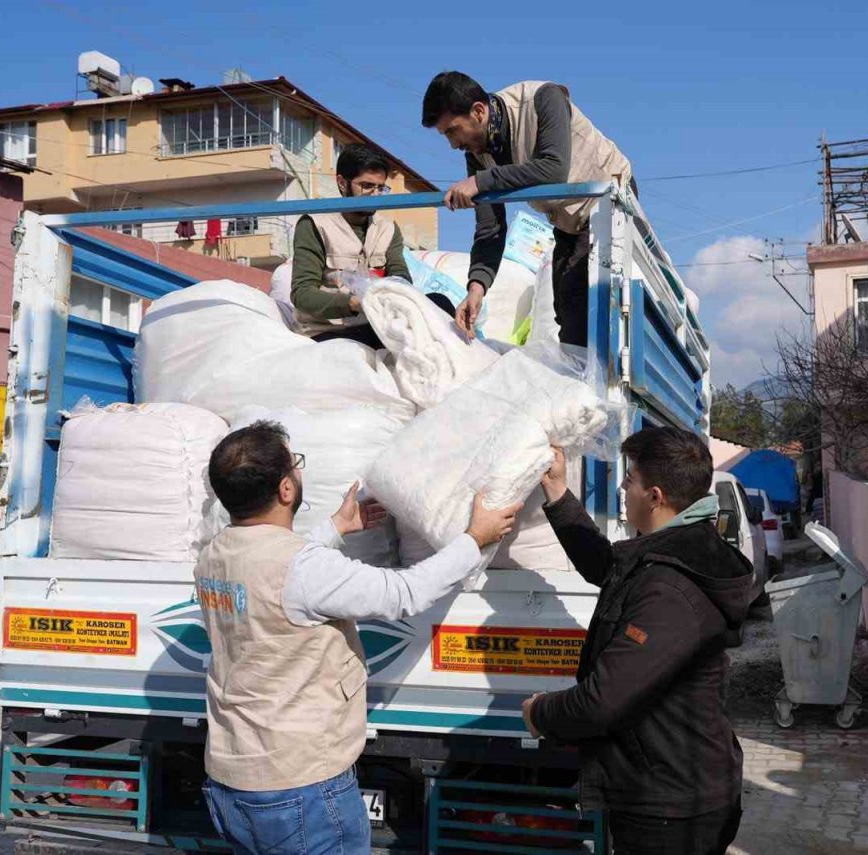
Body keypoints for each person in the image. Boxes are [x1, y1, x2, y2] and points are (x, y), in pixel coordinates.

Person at [196, 421, 521, 854]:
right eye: (295, 465)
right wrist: (472, 540)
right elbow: (404, 594)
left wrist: (336, 528)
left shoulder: (213, 556)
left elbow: (274, 571)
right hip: (299, 788)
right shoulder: (302, 568)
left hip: (231, 780)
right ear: (286, 489)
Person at [521, 427, 752, 854]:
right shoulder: (676, 549)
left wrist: (541, 714)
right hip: (671, 788)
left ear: (655, 496)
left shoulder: (671, 587)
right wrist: (557, 491)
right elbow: (610, 568)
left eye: (630, 480)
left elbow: (602, 701)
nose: (624, 488)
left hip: (671, 805)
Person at [421, 71, 634, 348]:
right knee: (565, 307)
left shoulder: (543, 99)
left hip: (608, 207)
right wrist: (476, 289)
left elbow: (553, 168)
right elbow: (490, 227)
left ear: (478, 111)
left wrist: (481, 181)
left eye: (452, 130)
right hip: (568, 220)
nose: (452, 144)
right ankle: (578, 382)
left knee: (584, 305)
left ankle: (599, 386)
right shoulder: (477, 155)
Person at [289, 144, 455, 347]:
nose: (375, 195)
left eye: (381, 188)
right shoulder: (315, 224)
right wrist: (354, 304)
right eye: (367, 186)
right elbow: (303, 294)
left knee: (439, 304)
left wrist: (396, 297)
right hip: (330, 331)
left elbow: (400, 276)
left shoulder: (388, 229)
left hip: (377, 323)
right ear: (342, 183)